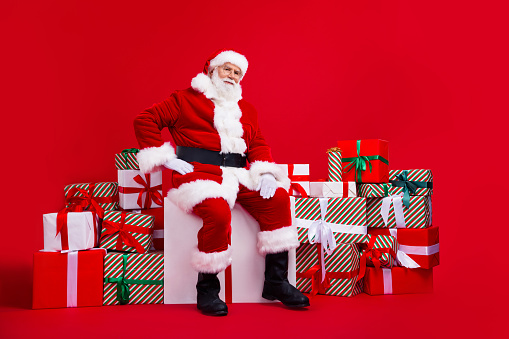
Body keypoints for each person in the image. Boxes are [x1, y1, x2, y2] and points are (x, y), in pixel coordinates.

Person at [134, 49, 309, 316]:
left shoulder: (247, 109)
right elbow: (145, 119)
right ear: (211, 69)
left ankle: (276, 281)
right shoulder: (184, 99)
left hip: (239, 175)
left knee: (279, 199)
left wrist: (265, 173)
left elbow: (258, 145)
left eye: (238, 73)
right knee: (217, 210)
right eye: (227, 69)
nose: (232, 76)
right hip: (199, 174)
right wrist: (163, 158)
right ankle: (207, 289)